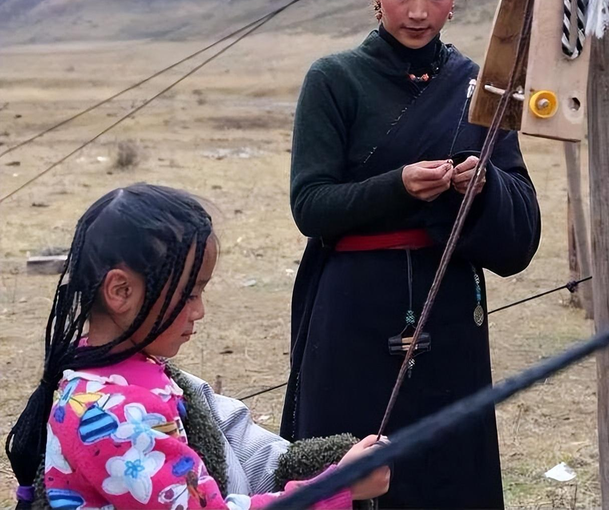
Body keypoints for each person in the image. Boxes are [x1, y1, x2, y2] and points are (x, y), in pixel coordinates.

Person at [281, 0, 541, 510]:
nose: (418, 11)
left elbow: (521, 238)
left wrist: (485, 191)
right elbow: (311, 207)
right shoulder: (334, 79)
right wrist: (398, 185)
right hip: (352, 317)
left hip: (448, 311)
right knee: (351, 476)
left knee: (451, 475)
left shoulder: (482, 86)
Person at [5, 184, 390, 510]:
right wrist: (336, 488)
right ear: (121, 291)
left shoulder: (130, 378)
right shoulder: (110, 417)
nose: (199, 311)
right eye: (189, 294)